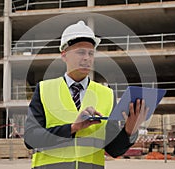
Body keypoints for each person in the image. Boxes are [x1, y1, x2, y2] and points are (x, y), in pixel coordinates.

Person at [24, 20, 148, 169]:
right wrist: (73, 128)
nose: (87, 58)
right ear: (64, 55)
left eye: (91, 53)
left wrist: (129, 131)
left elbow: (113, 150)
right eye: (81, 52)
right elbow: (31, 139)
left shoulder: (106, 94)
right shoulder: (44, 90)